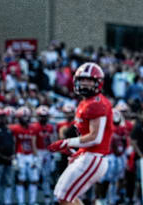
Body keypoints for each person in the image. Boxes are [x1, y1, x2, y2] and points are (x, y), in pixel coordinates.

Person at [47, 62, 115, 204]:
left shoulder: (96, 103)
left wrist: (66, 142)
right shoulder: (85, 102)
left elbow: (95, 138)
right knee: (62, 194)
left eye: (89, 80)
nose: (84, 84)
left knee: (64, 196)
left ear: (98, 82)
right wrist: (79, 152)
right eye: (82, 80)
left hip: (94, 157)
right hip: (88, 155)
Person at [10, 106, 39, 205]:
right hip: (20, 155)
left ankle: (32, 202)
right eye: (24, 117)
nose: (26, 119)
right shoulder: (15, 128)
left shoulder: (33, 128)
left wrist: (36, 157)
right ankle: (21, 202)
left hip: (30, 155)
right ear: (19, 118)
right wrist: (14, 157)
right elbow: (13, 144)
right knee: (21, 180)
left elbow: (34, 143)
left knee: (34, 180)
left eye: (27, 116)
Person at [32, 105, 57, 204]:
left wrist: (53, 152)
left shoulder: (50, 127)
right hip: (38, 152)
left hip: (47, 152)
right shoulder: (34, 126)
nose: (43, 118)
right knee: (35, 177)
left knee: (47, 176)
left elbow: (52, 140)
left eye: (45, 116)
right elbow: (33, 142)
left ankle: (47, 199)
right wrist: (36, 155)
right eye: (41, 116)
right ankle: (33, 200)